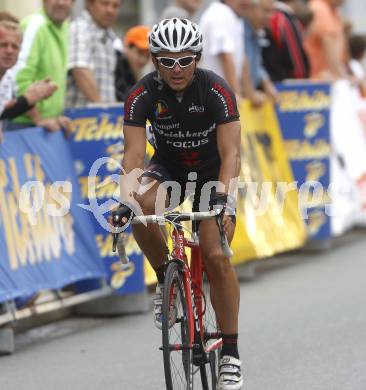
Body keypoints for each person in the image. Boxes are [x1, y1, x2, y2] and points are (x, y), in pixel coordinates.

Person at [115, 18, 243, 390]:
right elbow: (134, 154)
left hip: (214, 171)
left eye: (185, 60)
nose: (176, 69)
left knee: (216, 254)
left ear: (198, 58)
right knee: (139, 207)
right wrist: (125, 197)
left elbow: (231, 151)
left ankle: (231, 355)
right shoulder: (141, 94)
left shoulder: (216, 89)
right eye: (166, 60)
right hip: (169, 168)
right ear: (154, 60)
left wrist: (223, 194)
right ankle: (166, 283)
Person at [12, 0, 73, 132]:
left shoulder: (65, 27)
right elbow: (16, 77)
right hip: (22, 126)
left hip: (48, 126)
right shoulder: (35, 25)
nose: (61, 3)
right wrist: (38, 119)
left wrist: (56, 117)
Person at [0, 16, 57, 138]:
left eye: (14, 47)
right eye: (3, 45)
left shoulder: (8, 76)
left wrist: (30, 99)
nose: (9, 51)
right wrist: (29, 98)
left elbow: (4, 112)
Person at [67, 0, 122, 107]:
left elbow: (108, 87)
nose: (110, 10)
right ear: (90, 4)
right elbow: (80, 71)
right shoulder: (80, 28)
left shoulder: (110, 37)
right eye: (105, 3)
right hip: (80, 118)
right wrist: (103, 109)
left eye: (115, 6)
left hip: (100, 119)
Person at [199, 0, 248, 96]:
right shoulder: (219, 13)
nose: (246, 2)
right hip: (214, 96)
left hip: (220, 95)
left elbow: (242, 61)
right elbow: (226, 56)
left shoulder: (232, 15)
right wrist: (235, 94)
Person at [242, 0, 278, 107]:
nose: (270, 16)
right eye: (266, 11)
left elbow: (257, 65)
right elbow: (242, 66)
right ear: (250, 8)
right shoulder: (239, 30)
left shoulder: (257, 30)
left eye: (272, 11)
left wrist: (267, 84)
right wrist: (250, 93)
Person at [262, 0, 310, 81]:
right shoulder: (282, 19)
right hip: (285, 81)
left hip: (276, 79)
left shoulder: (281, 16)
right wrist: (301, 79)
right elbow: (295, 57)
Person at [304, 0, 348, 80]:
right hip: (320, 78)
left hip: (330, 76)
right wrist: (340, 76)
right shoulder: (320, 8)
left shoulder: (333, 10)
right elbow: (328, 42)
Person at [115, 25, 150, 102]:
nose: (143, 60)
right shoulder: (117, 68)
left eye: (147, 56)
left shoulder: (132, 71)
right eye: (139, 53)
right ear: (127, 47)